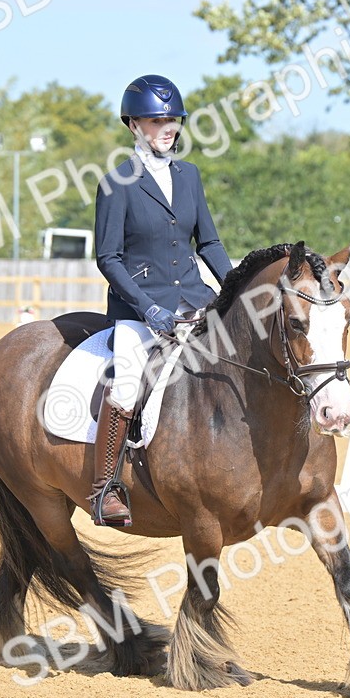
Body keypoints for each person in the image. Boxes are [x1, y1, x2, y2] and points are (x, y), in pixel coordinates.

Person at [90, 73, 234, 527]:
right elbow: (108, 257)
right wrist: (145, 307)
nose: (169, 128)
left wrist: (237, 287)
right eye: (158, 121)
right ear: (134, 125)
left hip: (195, 298)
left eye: (174, 120)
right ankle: (106, 486)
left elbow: (207, 243)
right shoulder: (117, 183)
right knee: (128, 380)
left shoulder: (188, 175)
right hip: (139, 307)